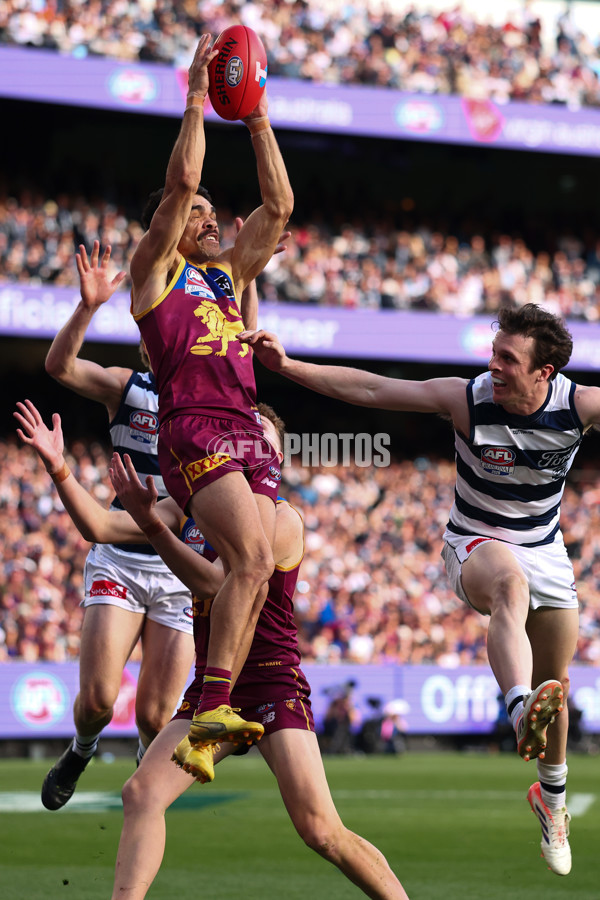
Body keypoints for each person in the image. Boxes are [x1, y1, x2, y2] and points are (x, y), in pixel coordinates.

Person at [238, 302, 598, 876]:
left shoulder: (580, 406)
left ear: (544, 372)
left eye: (509, 358)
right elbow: (373, 389)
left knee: (557, 680)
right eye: (494, 352)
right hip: (476, 541)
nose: (494, 365)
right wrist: (286, 366)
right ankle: (517, 707)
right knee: (509, 587)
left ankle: (551, 802)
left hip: (546, 549)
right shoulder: (466, 399)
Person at [15, 398, 410, 900]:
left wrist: (153, 527)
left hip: (269, 682)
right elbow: (101, 527)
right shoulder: (189, 508)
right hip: (212, 688)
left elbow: (215, 583)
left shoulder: (281, 520)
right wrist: (59, 469)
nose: (250, 448)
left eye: (262, 441)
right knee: (141, 794)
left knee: (321, 830)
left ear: (275, 460)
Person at [129, 32, 294, 749]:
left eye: (211, 211)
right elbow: (180, 184)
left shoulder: (228, 274)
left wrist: (256, 117)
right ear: (168, 227)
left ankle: (212, 706)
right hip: (195, 424)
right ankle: (213, 703)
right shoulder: (154, 273)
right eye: (198, 213)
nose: (209, 218)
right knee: (251, 561)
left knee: (251, 568)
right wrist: (197, 98)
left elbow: (279, 206)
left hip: (244, 428)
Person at [41, 239, 196, 810]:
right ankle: (81, 749)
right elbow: (59, 367)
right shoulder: (131, 389)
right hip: (124, 558)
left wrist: (248, 275)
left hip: (181, 566)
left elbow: (245, 348)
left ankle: (142, 780)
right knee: (99, 701)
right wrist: (87, 308)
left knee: (156, 716)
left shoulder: (207, 405)